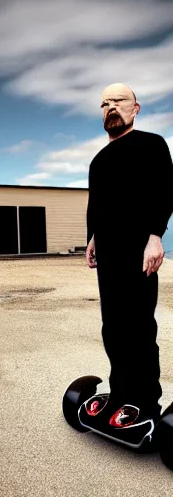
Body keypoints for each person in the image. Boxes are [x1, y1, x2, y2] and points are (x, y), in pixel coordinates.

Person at [84, 83, 173, 428]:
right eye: (105, 103)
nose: (111, 107)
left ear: (136, 108)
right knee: (113, 328)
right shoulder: (98, 160)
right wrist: (91, 239)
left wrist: (155, 236)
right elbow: (97, 204)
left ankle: (144, 402)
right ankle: (120, 396)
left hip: (139, 252)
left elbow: (166, 191)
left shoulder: (151, 145)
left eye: (118, 101)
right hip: (109, 255)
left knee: (138, 328)